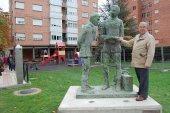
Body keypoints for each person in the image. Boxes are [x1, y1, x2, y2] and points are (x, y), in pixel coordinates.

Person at [118, 22, 156, 101]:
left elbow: (151, 51)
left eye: (143, 27)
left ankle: (143, 95)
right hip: (137, 63)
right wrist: (121, 40)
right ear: (138, 28)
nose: (142, 28)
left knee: (144, 80)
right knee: (140, 79)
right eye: (140, 27)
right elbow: (129, 43)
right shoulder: (137, 37)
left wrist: (148, 63)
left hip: (143, 63)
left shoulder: (149, 37)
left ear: (146, 28)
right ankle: (141, 92)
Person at [100, 5, 124, 91]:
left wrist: (118, 38)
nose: (112, 12)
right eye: (111, 10)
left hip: (116, 46)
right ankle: (106, 84)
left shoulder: (120, 22)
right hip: (106, 46)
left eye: (114, 10)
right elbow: (102, 35)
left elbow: (122, 36)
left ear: (117, 12)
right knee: (105, 66)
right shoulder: (105, 22)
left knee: (118, 66)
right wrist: (106, 37)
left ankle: (118, 84)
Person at [77, 13, 100, 92]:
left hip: (88, 51)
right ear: (93, 19)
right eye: (97, 19)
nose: (98, 21)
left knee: (87, 70)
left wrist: (95, 30)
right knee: (85, 70)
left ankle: (86, 85)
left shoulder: (93, 28)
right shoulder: (86, 27)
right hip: (85, 52)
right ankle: (84, 88)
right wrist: (82, 49)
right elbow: (79, 40)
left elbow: (93, 39)